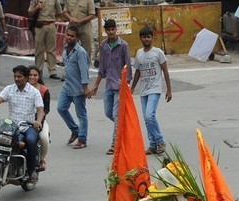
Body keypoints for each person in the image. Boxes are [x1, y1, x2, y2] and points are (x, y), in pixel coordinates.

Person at [0, 65, 45, 181]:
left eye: (19, 76)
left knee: (30, 141)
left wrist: (38, 122)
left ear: (26, 78)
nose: (16, 79)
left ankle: (32, 170)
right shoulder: (9, 89)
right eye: (15, 76)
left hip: (28, 126)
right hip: (13, 126)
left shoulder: (34, 92)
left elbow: (40, 110)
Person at [90, 18, 131, 155]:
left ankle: (115, 143)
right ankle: (123, 130)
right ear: (106, 31)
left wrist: (127, 84)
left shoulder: (124, 45)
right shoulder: (104, 46)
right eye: (108, 30)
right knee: (108, 113)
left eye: (113, 29)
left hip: (120, 85)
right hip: (108, 85)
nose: (111, 32)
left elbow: (128, 66)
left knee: (116, 114)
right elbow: (102, 68)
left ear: (116, 30)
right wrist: (96, 85)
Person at [131, 26, 172, 157]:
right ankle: (153, 145)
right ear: (140, 38)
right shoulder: (139, 53)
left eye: (149, 37)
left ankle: (160, 141)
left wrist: (169, 90)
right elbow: (137, 71)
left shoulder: (158, 52)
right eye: (144, 37)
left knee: (150, 115)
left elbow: (165, 70)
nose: (146, 39)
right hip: (143, 90)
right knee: (146, 119)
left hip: (155, 89)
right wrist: (132, 88)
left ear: (152, 38)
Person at [58, 25, 91, 150]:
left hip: (78, 88)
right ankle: (75, 130)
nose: (69, 38)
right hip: (67, 86)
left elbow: (84, 71)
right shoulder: (66, 49)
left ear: (77, 38)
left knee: (81, 114)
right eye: (68, 35)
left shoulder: (81, 52)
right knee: (61, 108)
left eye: (72, 36)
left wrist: (85, 87)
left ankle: (82, 139)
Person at [28, 0, 62, 79]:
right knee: (39, 49)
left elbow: (59, 12)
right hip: (39, 26)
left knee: (51, 49)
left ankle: (52, 71)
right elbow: (29, 13)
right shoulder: (35, 0)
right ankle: (38, 70)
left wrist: (53, 17)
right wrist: (37, 7)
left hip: (51, 25)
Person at [28, 66, 51, 170]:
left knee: (44, 138)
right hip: (23, 120)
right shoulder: (21, 87)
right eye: (30, 75)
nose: (32, 77)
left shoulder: (44, 90)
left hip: (40, 121)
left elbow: (46, 109)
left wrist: (39, 120)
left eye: (35, 75)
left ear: (39, 76)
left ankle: (42, 159)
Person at [63, 0, 96, 68]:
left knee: (86, 50)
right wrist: (70, 18)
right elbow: (65, 12)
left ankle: (84, 71)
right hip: (72, 26)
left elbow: (92, 15)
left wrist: (79, 21)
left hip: (85, 27)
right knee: (69, 49)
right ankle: (68, 71)